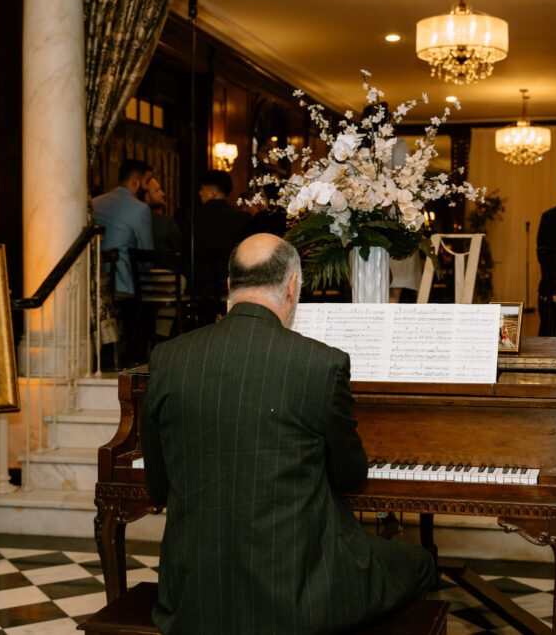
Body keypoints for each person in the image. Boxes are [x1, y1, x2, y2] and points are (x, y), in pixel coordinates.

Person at [141, 233, 435, 634]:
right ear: (293, 286)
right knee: (419, 563)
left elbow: (158, 488)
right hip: (297, 598)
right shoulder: (320, 364)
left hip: (190, 596)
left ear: (230, 286)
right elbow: (351, 476)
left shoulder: (168, 359)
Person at [92, 159, 154, 295]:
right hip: (125, 285)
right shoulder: (140, 209)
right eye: (146, 182)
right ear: (135, 182)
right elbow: (146, 257)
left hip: (94, 283)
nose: (147, 188)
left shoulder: (94, 203)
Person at [194, 170, 251, 301]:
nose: (199, 193)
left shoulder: (193, 217)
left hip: (200, 287)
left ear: (213, 193)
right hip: (233, 285)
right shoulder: (242, 218)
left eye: (202, 189)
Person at [139, 175, 182, 253]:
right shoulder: (165, 222)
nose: (162, 194)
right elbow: (180, 248)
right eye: (157, 190)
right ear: (146, 196)